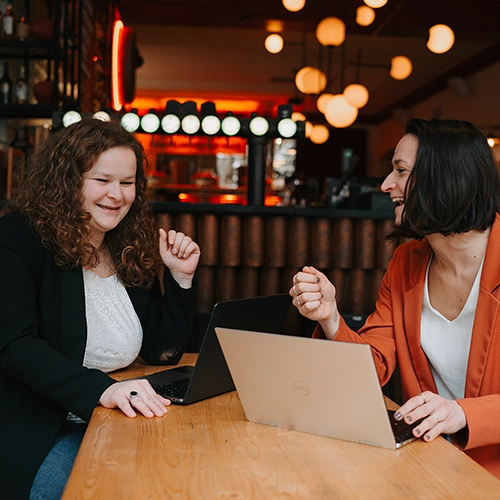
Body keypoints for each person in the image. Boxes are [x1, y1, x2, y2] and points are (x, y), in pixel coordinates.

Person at [0, 118, 201, 499]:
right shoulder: (18, 237)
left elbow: (161, 350)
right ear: (67, 180)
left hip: (110, 417)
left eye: (127, 183)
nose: (117, 195)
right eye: (102, 180)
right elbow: (15, 345)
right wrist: (102, 391)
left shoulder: (123, 243)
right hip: (41, 426)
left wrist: (180, 279)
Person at [290, 117, 500, 479]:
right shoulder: (406, 261)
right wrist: (330, 318)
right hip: (426, 465)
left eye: (400, 171)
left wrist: (463, 413)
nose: (386, 185)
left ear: (446, 177)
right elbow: (373, 364)